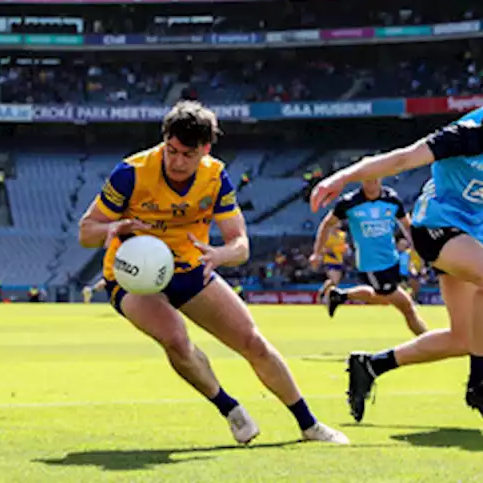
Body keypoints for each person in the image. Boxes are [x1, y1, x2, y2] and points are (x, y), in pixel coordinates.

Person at [78, 100, 348, 446]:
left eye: (187, 154)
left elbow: (241, 245)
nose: (176, 162)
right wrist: (116, 227)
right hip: (133, 276)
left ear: (205, 149)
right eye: (171, 150)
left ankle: (310, 425)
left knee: (252, 342)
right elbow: (86, 232)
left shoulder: (215, 175)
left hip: (192, 266)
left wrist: (220, 254)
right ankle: (230, 409)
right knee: (175, 338)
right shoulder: (131, 172)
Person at [310, 67, 483, 423]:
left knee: (462, 339)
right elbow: (403, 158)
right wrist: (344, 176)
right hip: (434, 226)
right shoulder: (464, 135)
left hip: (470, 234)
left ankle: (370, 366)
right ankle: (479, 385)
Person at [312, 179, 427, 335]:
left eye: (374, 179)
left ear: (379, 179)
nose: (371, 183)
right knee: (406, 307)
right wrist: (317, 252)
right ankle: (430, 343)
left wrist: (417, 247)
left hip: (392, 260)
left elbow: (406, 225)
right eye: (367, 179)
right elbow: (327, 224)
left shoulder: (392, 199)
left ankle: (340, 295)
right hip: (372, 265)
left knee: (386, 299)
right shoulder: (349, 202)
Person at [310, 225, 348, 299]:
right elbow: (323, 249)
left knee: (335, 282)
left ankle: (324, 294)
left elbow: (344, 246)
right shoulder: (326, 236)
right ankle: (324, 295)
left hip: (339, 261)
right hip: (329, 261)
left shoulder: (342, 234)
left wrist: (344, 248)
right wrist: (333, 250)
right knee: (334, 279)